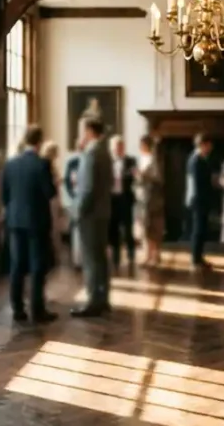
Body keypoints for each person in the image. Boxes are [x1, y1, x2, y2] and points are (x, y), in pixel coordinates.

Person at [0, 124, 57, 323]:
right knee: (37, 267)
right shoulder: (42, 164)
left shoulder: (10, 164)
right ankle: (37, 310)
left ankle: (17, 309)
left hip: (15, 222)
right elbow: (50, 193)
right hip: (36, 222)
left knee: (16, 266)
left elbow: (4, 195)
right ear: (40, 141)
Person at [70, 117, 113, 317]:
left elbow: (87, 189)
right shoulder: (104, 151)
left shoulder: (91, 153)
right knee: (100, 258)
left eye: (81, 130)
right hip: (102, 212)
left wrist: (77, 212)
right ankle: (102, 298)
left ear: (88, 131)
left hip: (90, 215)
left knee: (90, 259)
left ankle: (93, 301)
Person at [134, 135, 165, 267]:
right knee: (146, 226)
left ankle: (153, 255)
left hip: (151, 198)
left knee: (152, 227)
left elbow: (158, 178)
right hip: (142, 197)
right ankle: (151, 255)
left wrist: (143, 175)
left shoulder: (153, 159)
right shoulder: (142, 159)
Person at [185, 132, 215, 269]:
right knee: (198, 230)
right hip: (199, 201)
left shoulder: (200, 159)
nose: (210, 148)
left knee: (201, 230)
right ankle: (195, 260)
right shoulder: (196, 160)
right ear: (203, 145)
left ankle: (199, 258)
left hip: (201, 200)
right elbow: (197, 185)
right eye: (208, 145)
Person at [108, 134, 138, 271]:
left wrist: (133, 174)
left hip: (125, 199)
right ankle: (116, 259)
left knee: (128, 230)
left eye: (121, 146)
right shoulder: (107, 161)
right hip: (112, 200)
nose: (118, 149)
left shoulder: (131, 160)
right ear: (112, 148)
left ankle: (131, 257)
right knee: (113, 230)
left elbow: (134, 177)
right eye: (116, 147)